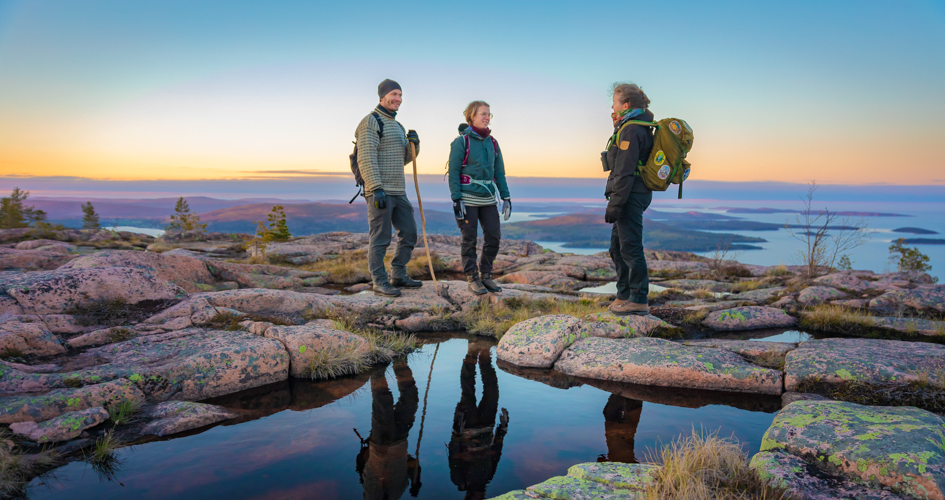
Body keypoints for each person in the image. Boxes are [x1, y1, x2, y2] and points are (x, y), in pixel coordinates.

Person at [355, 79, 421, 297]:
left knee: (409, 232)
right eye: (394, 94)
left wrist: (415, 144)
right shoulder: (371, 122)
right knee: (380, 238)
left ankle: (398, 275)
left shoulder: (398, 125)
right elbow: (366, 157)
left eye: (400, 95)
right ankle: (379, 281)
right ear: (382, 96)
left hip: (398, 190)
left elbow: (402, 159)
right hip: (380, 191)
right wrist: (375, 188)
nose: (398, 99)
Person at [448, 101, 512, 295]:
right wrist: (456, 199)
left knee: (494, 237)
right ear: (472, 117)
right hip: (467, 198)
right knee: (469, 240)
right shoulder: (461, 142)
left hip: (488, 198)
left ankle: (485, 275)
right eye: (483, 114)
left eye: (488, 114)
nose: (487, 117)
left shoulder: (493, 142)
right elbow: (453, 172)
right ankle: (472, 278)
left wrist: (506, 197)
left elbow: (499, 172)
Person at [603, 83, 654, 315]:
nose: (611, 107)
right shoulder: (630, 126)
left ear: (625, 105)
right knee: (617, 247)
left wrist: (615, 204)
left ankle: (639, 298)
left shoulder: (631, 130)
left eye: (614, 102)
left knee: (631, 247)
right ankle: (624, 295)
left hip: (630, 195)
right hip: (629, 193)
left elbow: (624, 171)